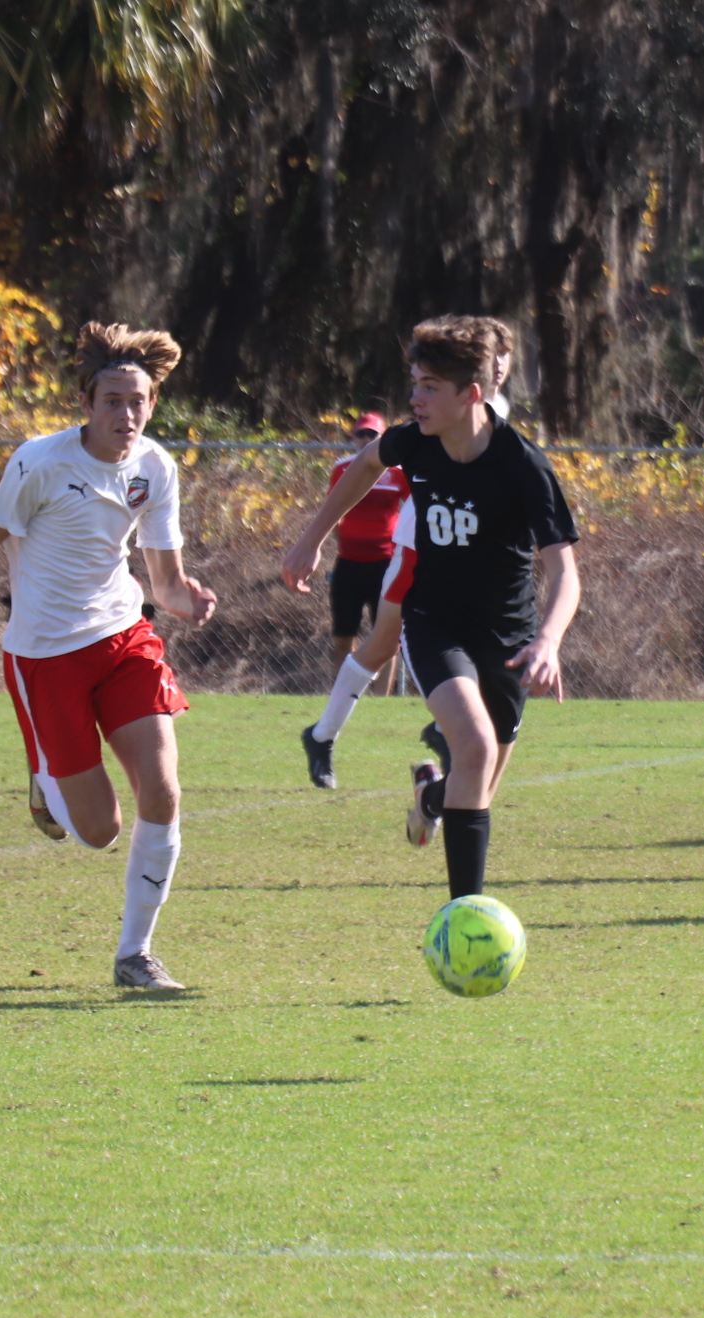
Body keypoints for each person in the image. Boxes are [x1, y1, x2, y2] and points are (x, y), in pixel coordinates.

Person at [0, 323, 218, 990]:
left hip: (124, 638)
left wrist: (184, 598)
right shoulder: (41, 463)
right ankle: (47, 778)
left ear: (153, 404)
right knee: (98, 832)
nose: (127, 414)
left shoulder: (156, 466)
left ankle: (136, 955)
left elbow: (165, 578)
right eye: (113, 401)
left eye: (138, 401)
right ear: (87, 405)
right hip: (45, 657)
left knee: (163, 786)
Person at [285, 317, 581, 904]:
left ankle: (430, 798)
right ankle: (464, 915)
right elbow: (366, 464)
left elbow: (566, 572)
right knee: (472, 746)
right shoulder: (414, 441)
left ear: (471, 394)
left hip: (509, 638)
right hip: (435, 625)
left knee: (481, 780)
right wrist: (313, 536)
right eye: (414, 383)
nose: (415, 399)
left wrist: (548, 641)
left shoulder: (524, 466)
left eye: (429, 387)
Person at [291, 319, 516, 785]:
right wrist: (312, 538)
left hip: (470, 557)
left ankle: (442, 739)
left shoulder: (496, 414)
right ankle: (328, 733)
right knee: (383, 642)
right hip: (421, 547)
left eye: (504, 355)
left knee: (427, 644)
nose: (498, 364)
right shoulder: (441, 410)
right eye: (492, 353)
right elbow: (372, 459)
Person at [297, 412, 407, 787]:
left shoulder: (400, 469)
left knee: (386, 637)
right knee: (344, 635)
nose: (365, 439)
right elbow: (335, 509)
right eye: (361, 433)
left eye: (372, 434)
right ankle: (341, 700)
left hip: (385, 561)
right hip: (348, 560)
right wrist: (312, 542)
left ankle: (380, 700)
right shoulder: (344, 468)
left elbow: (412, 509)